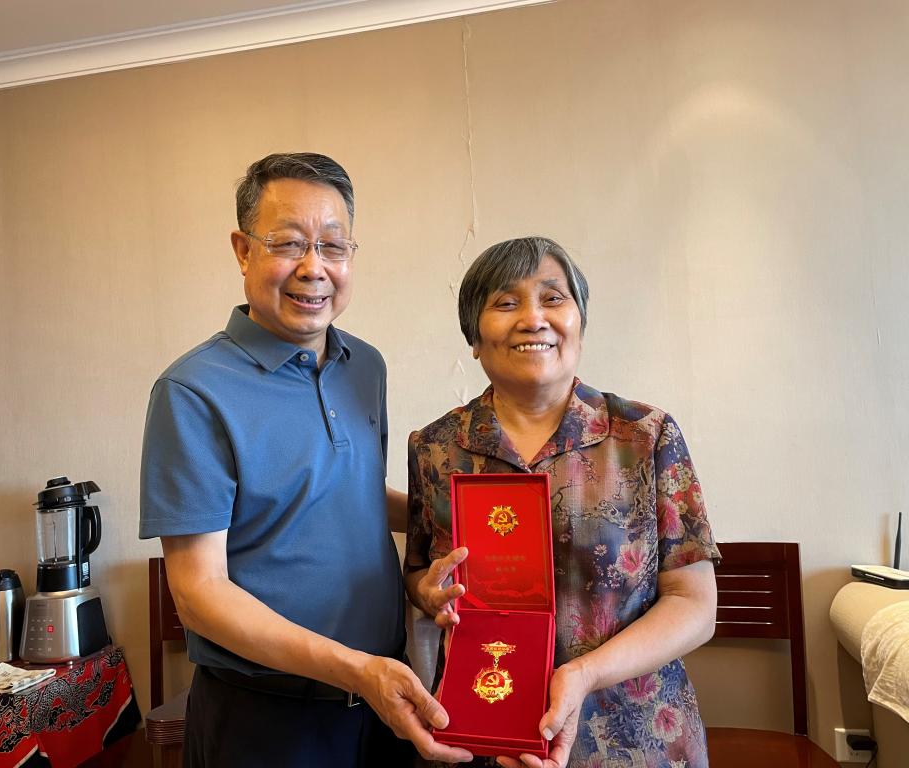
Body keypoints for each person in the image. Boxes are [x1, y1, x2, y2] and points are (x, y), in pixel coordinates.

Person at [139, 153, 472, 768]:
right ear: (243, 251)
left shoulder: (365, 366)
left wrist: (459, 527)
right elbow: (199, 592)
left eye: (333, 246)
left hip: (383, 699)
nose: (314, 267)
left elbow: (352, 493)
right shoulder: (192, 392)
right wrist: (356, 669)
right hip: (266, 719)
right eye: (289, 243)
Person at [405, 236, 720, 768]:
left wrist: (585, 672)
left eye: (553, 299)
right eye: (506, 303)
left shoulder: (646, 436)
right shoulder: (435, 448)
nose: (533, 319)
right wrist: (428, 592)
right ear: (473, 337)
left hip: (630, 737)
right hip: (483, 731)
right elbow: (417, 571)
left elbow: (694, 605)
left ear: (580, 321)